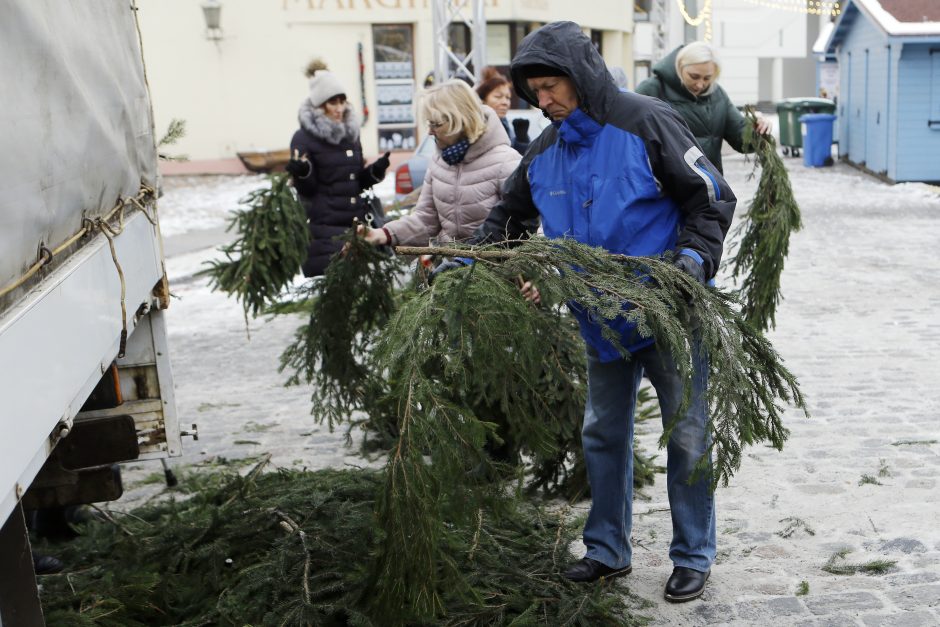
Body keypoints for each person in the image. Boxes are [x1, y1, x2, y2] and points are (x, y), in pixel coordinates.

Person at [462, 21, 737, 602]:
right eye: (534, 91)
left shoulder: (644, 121)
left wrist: (690, 263)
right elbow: (507, 220)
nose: (544, 101)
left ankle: (693, 555)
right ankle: (607, 552)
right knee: (602, 434)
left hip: (668, 312)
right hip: (599, 321)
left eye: (552, 86)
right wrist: (468, 264)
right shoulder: (546, 150)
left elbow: (709, 196)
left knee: (686, 433)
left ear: (580, 76)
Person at [359, 79, 523, 257]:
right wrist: (383, 234)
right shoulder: (439, 161)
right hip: (451, 273)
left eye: (436, 124)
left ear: (460, 120)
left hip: (499, 275)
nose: (429, 131)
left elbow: (527, 225)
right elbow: (425, 219)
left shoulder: (506, 162)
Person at [286, 59, 390, 277]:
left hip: (356, 226)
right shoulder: (304, 137)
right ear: (319, 106)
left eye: (342, 101)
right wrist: (302, 172)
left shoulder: (350, 135)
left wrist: (374, 172)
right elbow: (308, 190)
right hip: (325, 230)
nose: (339, 108)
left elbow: (353, 183)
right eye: (333, 103)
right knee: (336, 299)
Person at [635, 41, 771, 174]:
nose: (700, 85)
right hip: (664, 190)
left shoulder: (718, 95)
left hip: (709, 188)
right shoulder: (651, 90)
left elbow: (740, 138)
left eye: (707, 78)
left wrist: (757, 129)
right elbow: (631, 140)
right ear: (680, 65)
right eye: (694, 76)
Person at [475, 66, 531, 155]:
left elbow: (519, 161)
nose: (505, 102)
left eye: (508, 98)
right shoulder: (475, 127)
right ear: (483, 99)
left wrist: (522, 140)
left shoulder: (505, 124)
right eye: (498, 96)